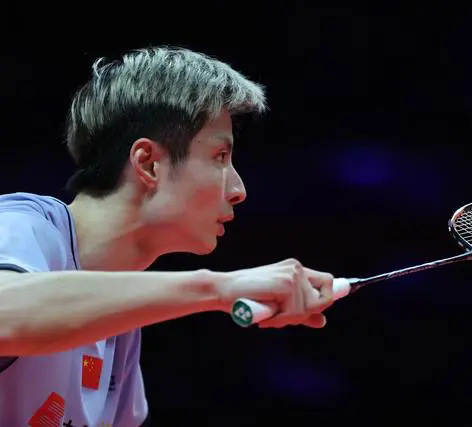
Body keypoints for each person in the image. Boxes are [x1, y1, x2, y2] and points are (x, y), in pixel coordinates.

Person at [0, 46, 335, 426]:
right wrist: (217, 288)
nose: (238, 190)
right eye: (220, 156)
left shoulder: (120, 322)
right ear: (148, 164)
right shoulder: (21, 224)